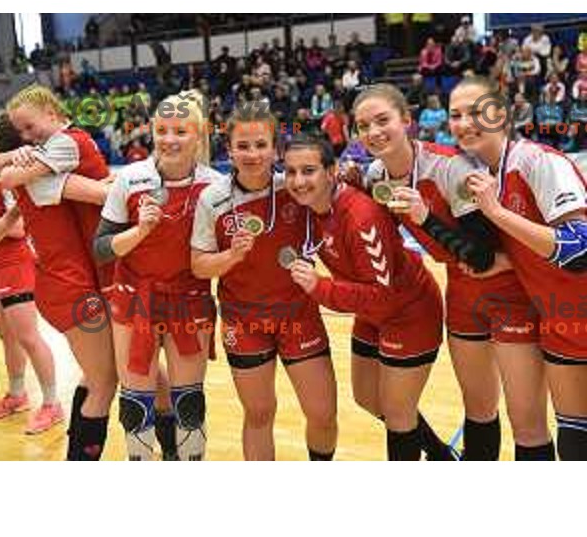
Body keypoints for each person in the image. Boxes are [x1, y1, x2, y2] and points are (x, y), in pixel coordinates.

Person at [353, 83, 553, 460]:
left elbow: (480, 256)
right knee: (478, 408)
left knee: (526, 420)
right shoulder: (376, 174)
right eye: (364, 126)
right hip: (461, 294)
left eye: (383, 121)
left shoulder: (450, 167)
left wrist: (425, 217)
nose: (374, 132)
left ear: (407, 121)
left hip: (506, 290)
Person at [283, 133, 447, 461]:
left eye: (309, 171)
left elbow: (382, 296)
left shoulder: (360, 217)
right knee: (368, 398)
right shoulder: (311, 208)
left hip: (408, 312)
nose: (298, 181)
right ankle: (443, 456)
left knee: (399, 414)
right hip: (372, 312)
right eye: (290, 172)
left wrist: (319, 287)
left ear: (330, 172)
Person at [447, 75, 587, 460]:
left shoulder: (537, 161)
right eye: (455, 115)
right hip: (560, 321)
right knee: (575, 445)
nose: (463, 122)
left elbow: (580, 249)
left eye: (475, 111)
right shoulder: (485, 176)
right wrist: (505, 261)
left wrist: (496, 212)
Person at [191, 108, 338, 461]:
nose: (253, 153)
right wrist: (230, 257)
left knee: (323, 414)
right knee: (258, 414)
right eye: (243, 145)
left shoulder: (295, 186)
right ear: (229, 150)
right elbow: (198, 266)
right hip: (244, 321)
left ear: (275, 150)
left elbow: (341, 187)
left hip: (298, 314)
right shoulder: (213, 199)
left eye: (261, 144)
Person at [0, 88, 117, 460]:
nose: (30, 136)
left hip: (64, 282)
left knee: (98, 377)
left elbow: (4, 174)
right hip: (71, 288)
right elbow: (102, 194)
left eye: (31, 128)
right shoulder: (43, 175)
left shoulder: (58, 156)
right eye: (24, 131)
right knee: (106, 381)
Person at [94, 91, 219, 461]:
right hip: (134, 302)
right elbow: (100, 247)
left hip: (190, 302)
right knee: (135, 405)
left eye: (180, 130)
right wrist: (139, 233)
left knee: (189, 403)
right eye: (162, 130)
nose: (169, 139)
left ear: (199, 134)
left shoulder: (216, 186)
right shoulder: (129, 179)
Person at [0, 136, 63, 433]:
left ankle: (52, 402)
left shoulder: (7, 181)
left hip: (13, 264)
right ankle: (17, 395)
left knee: (28, 336)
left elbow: (19, 228)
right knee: (7, 335)